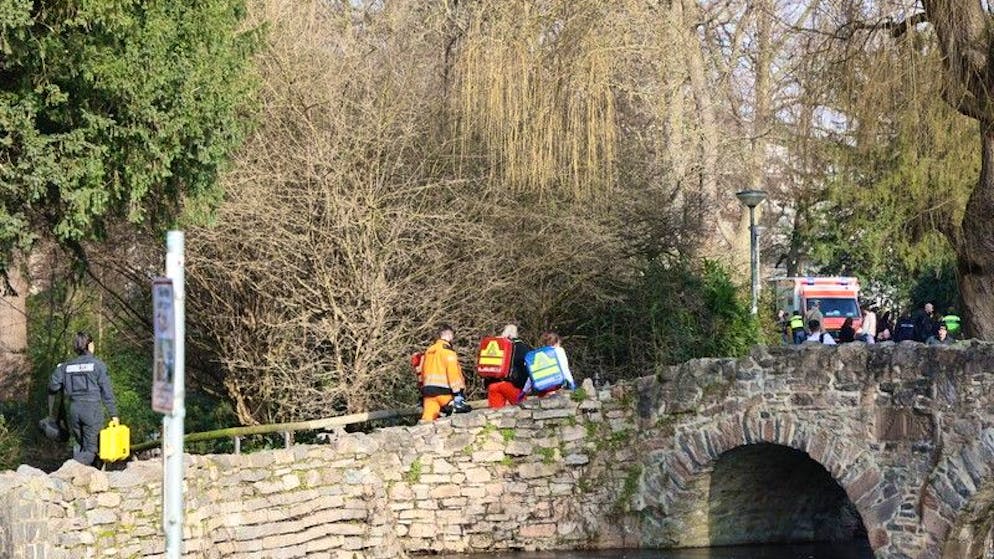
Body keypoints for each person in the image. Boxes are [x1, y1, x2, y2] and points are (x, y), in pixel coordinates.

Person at [47, 332, 118, 466]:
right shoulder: (98, 365)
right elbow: (107, 392)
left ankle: (90, 477)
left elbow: (53, 386)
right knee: (91, 449)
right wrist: (113, 414)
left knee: (83, 445)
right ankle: (70, 469)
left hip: (74, 411)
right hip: (92, 411)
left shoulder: (65, 367)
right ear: (90, 345)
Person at [419, 324, 470, 422]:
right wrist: (458, 392)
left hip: (429, 392)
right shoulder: (448, 352)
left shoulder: (429, 351)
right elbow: (453, 373)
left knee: (427, 421)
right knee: (459, 417)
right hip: (444, 393)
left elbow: (422, 370)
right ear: (450, 335)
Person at [518, 331, 576, 399]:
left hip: (542, 388)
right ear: (557, 341)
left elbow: (532, 375)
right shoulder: (559, 350)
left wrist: (524, 391)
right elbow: (565, 369)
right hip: (556, 385)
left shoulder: (537, 355)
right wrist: (572, 383)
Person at [486, 324, 532, 409]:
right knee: (524, 411)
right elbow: (527, 368)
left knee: (495, 416)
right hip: (512, 386)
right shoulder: (522, 347)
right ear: (516, 334)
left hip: (493, 385)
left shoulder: (495, 345)